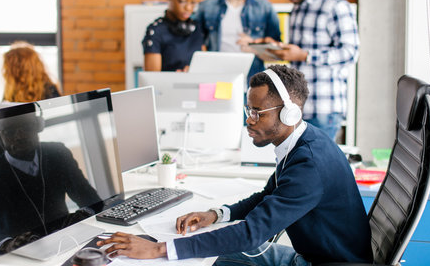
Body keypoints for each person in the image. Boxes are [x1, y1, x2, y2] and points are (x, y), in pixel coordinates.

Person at [97, 65, 373, 265]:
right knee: (211, 255)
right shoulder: (302, 143)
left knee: (193, 256)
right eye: (247, 110)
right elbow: (267, 197)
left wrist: (157, 249)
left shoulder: (310, 164)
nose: (249, 120)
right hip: (314, 256)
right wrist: (216, 214)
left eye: (257, 113)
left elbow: (252, 232)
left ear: (289, 114)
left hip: (324, 263)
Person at [264, 0, 360, 140]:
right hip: (298, 108)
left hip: (324, 109)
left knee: (320, 166)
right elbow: (299, 51)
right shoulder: (298, 8)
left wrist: (304, 55)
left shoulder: (336, 6)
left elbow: (350, 52)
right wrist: (279, 49)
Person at [0, 104, 102, 253]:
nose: (20, 136)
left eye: (27, 127)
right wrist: (8, 244)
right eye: (9, 131)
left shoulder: (58, 153)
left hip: (66, 240)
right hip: (24, 253)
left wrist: (85, 213)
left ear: (38, 125)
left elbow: (91, 199)